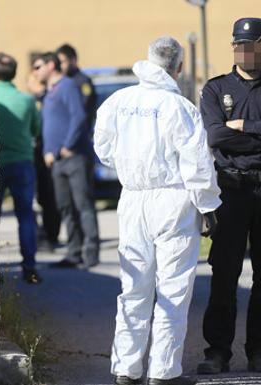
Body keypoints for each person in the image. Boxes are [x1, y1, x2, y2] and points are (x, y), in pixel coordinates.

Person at [94, 36, 221, 385]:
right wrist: (207, 206)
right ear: (179, 67)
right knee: (173, 288)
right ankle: (163, 372)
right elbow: (197, 164)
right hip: (173, 200)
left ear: (148, 60)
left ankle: (126, 367)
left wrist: (128, 164)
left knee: (133, 285)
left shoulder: (119, 101)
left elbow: (103, 150)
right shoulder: (179, 107)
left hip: (132, 198)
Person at [197, 17, 261, 375]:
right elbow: (215, 138)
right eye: (239, 44)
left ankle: (259, 349)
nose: (245, 50)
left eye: (252, 43)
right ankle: (217, 352)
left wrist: (242, 127)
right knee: (224, 273)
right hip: (231, 188)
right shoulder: (215, 89)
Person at [34, 52, 100, 269]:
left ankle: (90, 254)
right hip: (55, 161)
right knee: (65, 207)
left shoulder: (68, 86)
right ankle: (74, 253)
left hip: (73, 157)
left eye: (38, 66)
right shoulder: (51, 92)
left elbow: (79, 116)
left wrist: (67, 147)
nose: (35, 71)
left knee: (83, 205)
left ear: (51, 65)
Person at [0, 53, 42, 284]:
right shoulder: (26, 100)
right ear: (14, 73)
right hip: (22, 162)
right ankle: (30, 269)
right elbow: (35, 129)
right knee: (25, 217)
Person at [28, 55, 62, 251]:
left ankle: (51, 235)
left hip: (48, 153)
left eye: (38, 68)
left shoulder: (51, 95)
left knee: (50, 197)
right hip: (36, 154)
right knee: (39, 197)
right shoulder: (34, 99)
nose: (35, 73)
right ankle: (43, 235)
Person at [56, 44, 97, 126]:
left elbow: (82, 107)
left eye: (63, 62)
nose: (60, 66)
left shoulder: (82, 82)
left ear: (73, 60)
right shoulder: (61, 81)